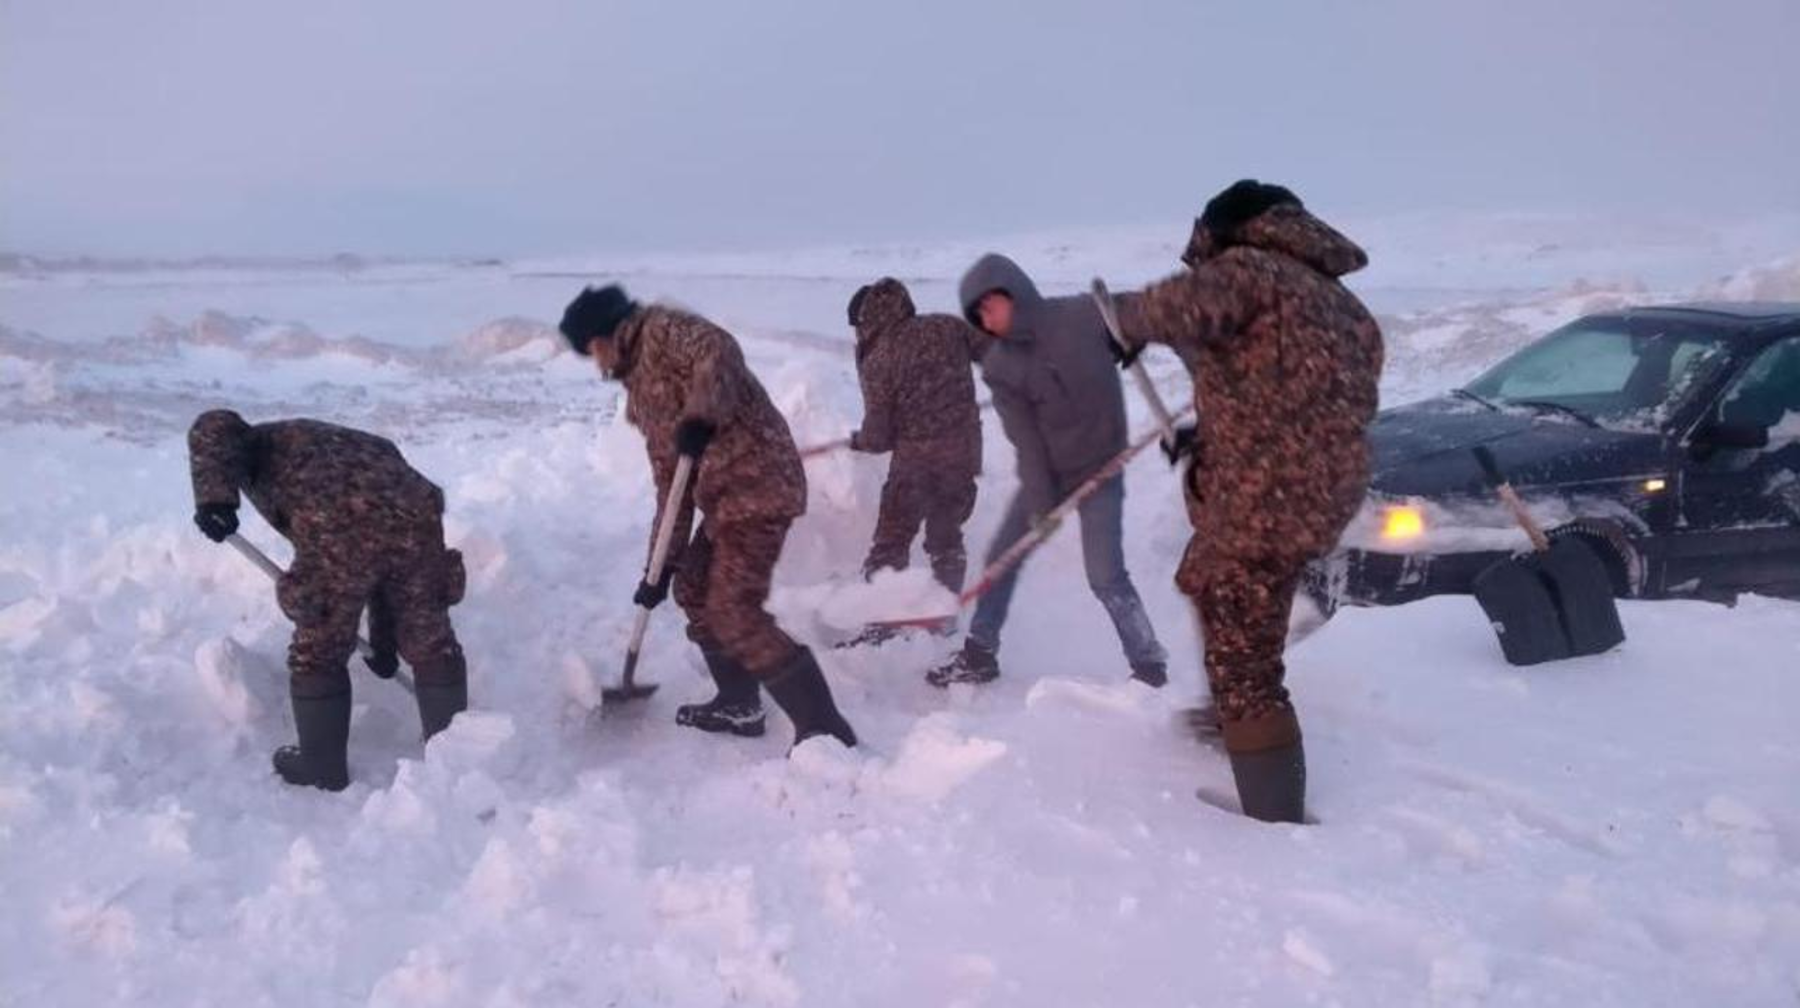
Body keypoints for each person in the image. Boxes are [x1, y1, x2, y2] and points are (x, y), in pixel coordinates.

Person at [1112, 179, 1384, 823]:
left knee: (1245, 649)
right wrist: (1212, 437)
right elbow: (1298, 398)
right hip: (1313, 491)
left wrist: (1123, 326)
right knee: (1217, 587)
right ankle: (1228, 714)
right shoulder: (1344, 306)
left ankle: (1273, 814)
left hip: (1266, 495)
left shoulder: (1248, 270)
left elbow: (1170, 308)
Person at [558, 284, 857, 748]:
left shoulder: (662, 330)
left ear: (609, 333)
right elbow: (670, 486)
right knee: (694, 584)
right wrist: (660, 568)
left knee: (734, 609)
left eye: (593, 349)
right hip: (726, 496)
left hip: (759, 483)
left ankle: (826, 731)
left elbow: (719, 352)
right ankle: (739, 703)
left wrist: (701, 415)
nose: (597, 363)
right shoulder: (641, 393)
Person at [187, 410, 469, 792]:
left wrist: (214, 501)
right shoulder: (328, 440)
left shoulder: (257, 446)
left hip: (336, 518)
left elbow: (213, 426)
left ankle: (320, 766)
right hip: (417, 506)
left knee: (320, 639)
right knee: (428, 633)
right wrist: (384, 646)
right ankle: (458, 757)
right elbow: (384, 575)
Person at [927, 254, 1169, 688]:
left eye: (989, 306)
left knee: (1106, 575)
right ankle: (980, 653)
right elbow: (1027, 442)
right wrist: (1041, 505)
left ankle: (1148, 664)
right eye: (977, 315)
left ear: (1011, 290)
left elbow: (1153, 313)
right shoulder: (1001, 366)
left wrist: (1133, 339)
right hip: (1051, 473)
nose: (986, 319)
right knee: (1002, 559)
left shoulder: (1083, 316)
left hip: (1103, 469)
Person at [844, 277, 985, 637]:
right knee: (946, 537)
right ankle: (942, 619)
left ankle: (879, 627)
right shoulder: (947, 325)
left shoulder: (880, 357)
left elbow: (879, 437)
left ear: (865, 321)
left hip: (916, 462)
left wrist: (859, 441)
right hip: (963, 454)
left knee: (891, 541)